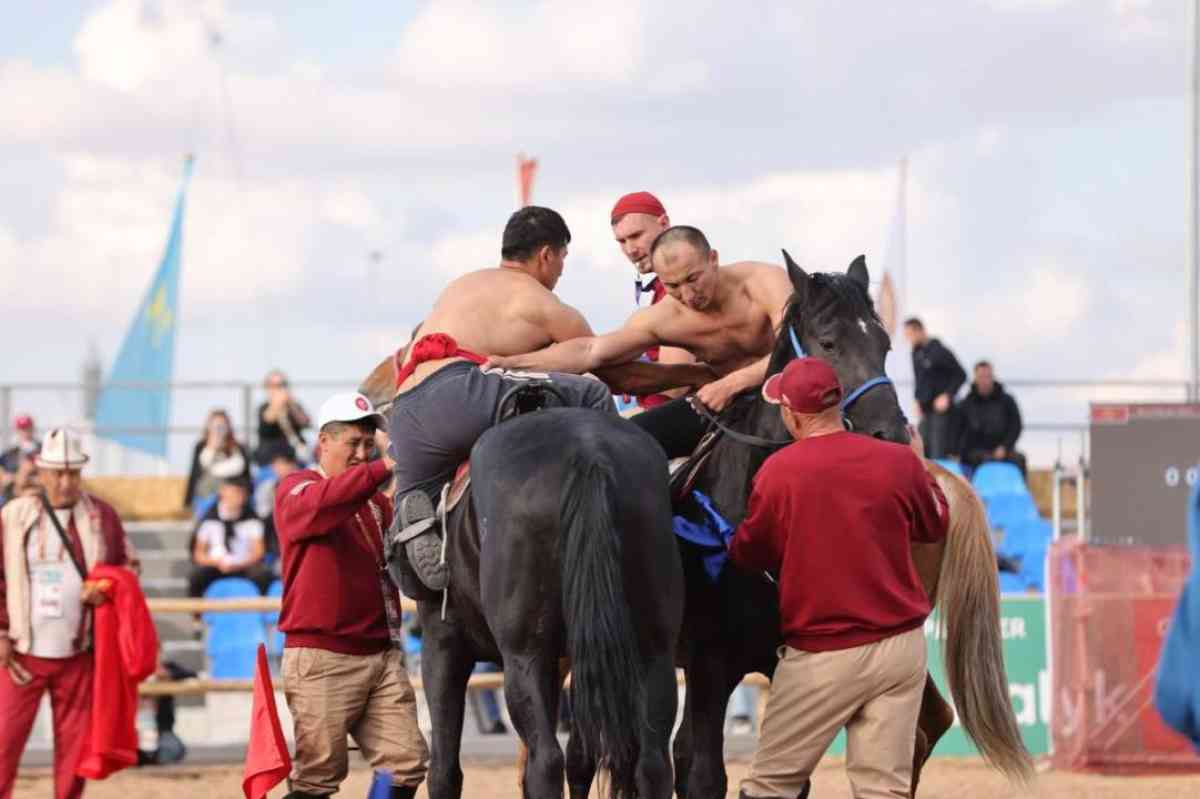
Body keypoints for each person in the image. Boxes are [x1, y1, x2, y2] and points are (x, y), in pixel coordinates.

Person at [728, 358, 949, 799]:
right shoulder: (898, 462)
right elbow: (935, 525)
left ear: (791, 414)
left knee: (770, 786)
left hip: (823, 654)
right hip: (900, 649)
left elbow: (749, 555)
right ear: (838, 404)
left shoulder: (780, 470)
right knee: (883, 790)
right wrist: (920, 466)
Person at [388, 206, 630, 592]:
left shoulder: (461, 284)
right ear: (547, 255)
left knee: (418, 506)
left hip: (406, 409)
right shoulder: (544, 303)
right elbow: (605, 367)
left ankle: (410, 523)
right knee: (592, 393)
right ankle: (622, 514)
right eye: (563, 260)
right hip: (463, 393)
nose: (561, 272)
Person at [487, 224, 793, 459]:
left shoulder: (763, 280)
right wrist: (511, 362)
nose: (688, 296)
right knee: (623, 444)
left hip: (790, 395)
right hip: (723, 404)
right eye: (672, 285)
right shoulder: (663, 317)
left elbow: (793, 350)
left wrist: (732, 382)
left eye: (693, 279)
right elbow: (590, 350)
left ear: (713, 260)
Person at [275, 392, 428, 799]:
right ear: (323, 442)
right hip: (321, 659)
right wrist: (384, 468)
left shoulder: (376, 503)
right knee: (317, 777)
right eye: (352, 443)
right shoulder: (297, 487)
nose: (362, 453)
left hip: (379, 654)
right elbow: (320, 505)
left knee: (406, 764)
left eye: (368, 443)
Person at [0, 429, 132, 799]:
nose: (65, 481)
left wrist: (105, 588)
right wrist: (0, 635)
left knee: (73, 757)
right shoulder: (13, 516)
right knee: (3, 746)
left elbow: (127, 568)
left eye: (73, 472)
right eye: (57, 472)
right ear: (41, 472)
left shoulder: (102, 516)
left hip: (79, 655)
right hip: (21, 655)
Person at [610, 191, 695, 409]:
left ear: (664, 223)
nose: (630, 250)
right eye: (622, 241)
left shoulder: (682, 289)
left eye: (636, 236)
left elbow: (675, 386)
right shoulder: (660, 288)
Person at [188, 476, 273, 597]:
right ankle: (197, 613)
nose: (235, 498)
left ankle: (263, 611)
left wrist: (239, 563)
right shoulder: (209, 520)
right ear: (222, 492)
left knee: (263, 575)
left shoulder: (252, 520)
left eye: (239, 494)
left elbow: (259, 551)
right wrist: (216, 562)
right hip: (216, 565)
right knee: (196, 576)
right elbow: (199, 554)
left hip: (243, 565)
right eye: (232, 492)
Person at [903, 317, 966, 459]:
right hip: (925, 411)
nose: (908, 339)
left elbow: (961, 374)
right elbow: (919, 379)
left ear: (919, 331)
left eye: (910, 335)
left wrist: (947, 395)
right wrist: (917, 400)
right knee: (920, 448)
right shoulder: (915, 353)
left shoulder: (940, 351)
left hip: (941, 412)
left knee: (938, 452)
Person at [956, 360, 1027, 478]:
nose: (985, 381)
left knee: (1020, 459)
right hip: (976, 453)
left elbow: (1016, 426)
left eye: (988, 376)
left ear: (993, 377)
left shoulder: (1007, 401)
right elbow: (958, 432)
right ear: (975, 378)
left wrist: (1004, 447)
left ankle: (1019, 494)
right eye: (981, 377)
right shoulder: (966, 404)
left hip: (1004, 450)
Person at [183, 410, 251, 517]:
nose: (219, 429)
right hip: (206, 494)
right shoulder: (201, 446)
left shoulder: (238, 448)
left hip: (231, 495)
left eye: (222, 425)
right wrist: (211, 447)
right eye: (215, 425)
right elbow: (196, 472)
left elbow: (241, 469)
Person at [256, 370, 311, 465]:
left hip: (295, 458)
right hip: (271, 461)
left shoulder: (294, 406)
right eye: (275, 385)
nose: (280, 389)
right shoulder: (264, 408)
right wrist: (278, 404)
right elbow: (267, 422)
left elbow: (305, 422)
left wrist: (292, 405)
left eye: (282, 385)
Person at [0, 414, 38, 492]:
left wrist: (28, 479)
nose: (25, 432)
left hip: (37, 493)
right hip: (13, 495)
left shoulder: (43, 451)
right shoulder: (9, 454)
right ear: (17, 430)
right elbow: (3, 477)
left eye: (27, 428)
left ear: (32, 428)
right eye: (22, 428)